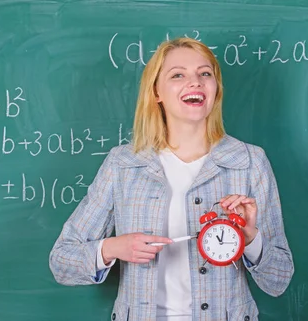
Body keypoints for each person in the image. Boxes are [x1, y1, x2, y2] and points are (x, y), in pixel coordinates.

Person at [49, 37, 294, 321]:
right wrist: (113, 247)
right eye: (178, 75)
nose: (196, 82)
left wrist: (250, 239)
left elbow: (279, 280)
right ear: (156, 93)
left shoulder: (250, 162)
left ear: (216, 89)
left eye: (205, 74)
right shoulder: (123, 164)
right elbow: (62, 262)